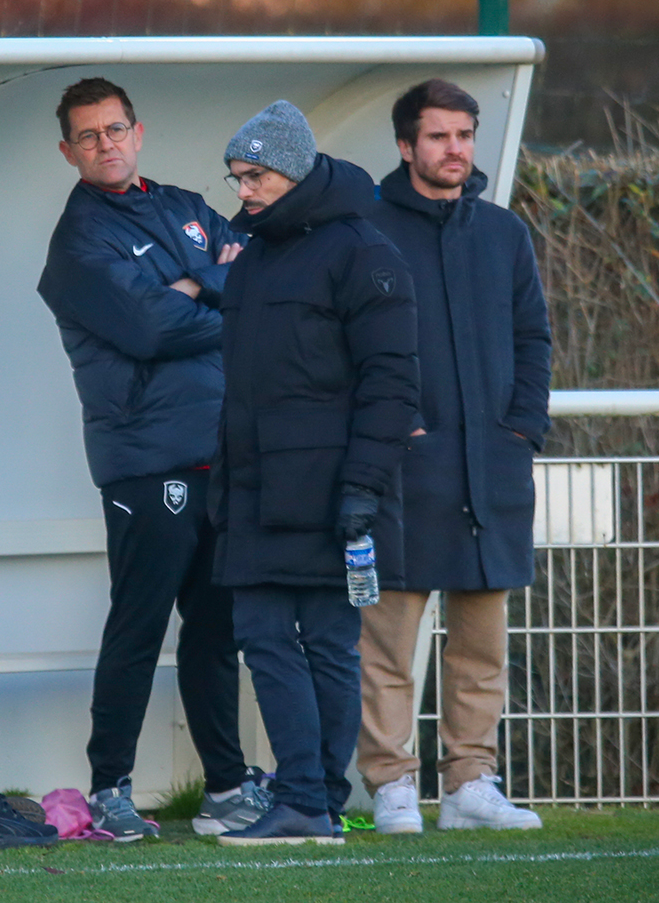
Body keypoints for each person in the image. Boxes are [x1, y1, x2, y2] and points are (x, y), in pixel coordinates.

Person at [36, 77, 261, 841]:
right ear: (68, 151)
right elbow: (147, 328)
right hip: (145, 459)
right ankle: (109, 788)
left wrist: (194, 285)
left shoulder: (185, 206)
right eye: (89, 136)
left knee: (214, 627)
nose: (106, 144)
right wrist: (211, 293)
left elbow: (250, 279)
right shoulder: (77, 243)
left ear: (140, 130)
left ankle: (227, 787)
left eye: (116, 129)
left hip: (220, 452)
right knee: (137, 624)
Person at [210, 101, 418, 844]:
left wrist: (363, 486)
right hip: (255, 490)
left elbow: (392, 380)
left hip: (332, 493)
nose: (244, 191)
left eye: (256, 175)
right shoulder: (257, 254)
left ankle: (311, 796)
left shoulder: (363, 251)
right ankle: (311, 797)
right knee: (264, 635)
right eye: (236, 178)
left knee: (326, 642)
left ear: (295, 171)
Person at [357, 79, 551, 833]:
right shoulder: (367, 229)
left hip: (493, 467)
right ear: (406, 145)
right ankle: (392, 784)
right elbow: (350, 347)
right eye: (439, 137)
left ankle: (471, 782)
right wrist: (398, 430)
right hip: (402, 472)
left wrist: (521, 428)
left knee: (481, 642)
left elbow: (533, 337)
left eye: (464, 135)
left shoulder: (504, 232)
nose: (456, 150)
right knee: (387, 642)